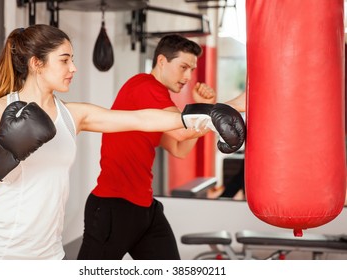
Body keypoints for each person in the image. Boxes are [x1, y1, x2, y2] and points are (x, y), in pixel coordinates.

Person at [0, 25, 243, 260]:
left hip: (48, 255)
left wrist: (205, 114)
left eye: (73, 59)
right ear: (36, 63)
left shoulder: (74, 115)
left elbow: (141, 120)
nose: (73, 68)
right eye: (64, 60)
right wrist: (7, 147)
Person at [77, 34, 246, 260]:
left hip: (145, 208)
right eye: (183, 67)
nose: (188, 76)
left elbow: (179, 148)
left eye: (191, 69)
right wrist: (234, 105)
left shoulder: (159, 97)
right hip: (114, 206)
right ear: (162, 61)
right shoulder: (145, 87)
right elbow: (181, 130)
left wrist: (204, 108)